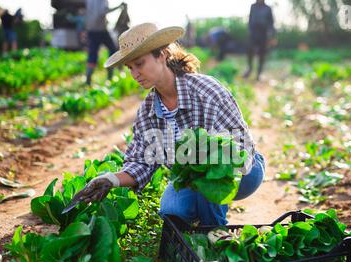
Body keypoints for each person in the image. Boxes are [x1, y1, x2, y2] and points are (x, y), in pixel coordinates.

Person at [71, 23, 266, 226]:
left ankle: (215, 232)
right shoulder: (148, 111)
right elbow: (142, 162)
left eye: (139, 64)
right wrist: (110, 179)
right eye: (130, 68)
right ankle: (202, 209)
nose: (135, 73)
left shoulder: (206, 92)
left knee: (208, 168)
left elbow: (236, 151)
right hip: (194, 178)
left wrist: (201, 166)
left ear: (162, 54)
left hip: (243, 170)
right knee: (172, 211)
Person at [85, 0, 125, 85]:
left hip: (91, 29)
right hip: (100, 30)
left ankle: (88, 80)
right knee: (112, 49)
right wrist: (118, 7)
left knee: (92, 54)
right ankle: (110, 77)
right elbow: (102, 12)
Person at [243, 0, 277, 81]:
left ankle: (259, 73)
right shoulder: (253, 6)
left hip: (263, 34)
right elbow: (250, 19)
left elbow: (271, 23)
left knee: (262, 54)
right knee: (250, 51)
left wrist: (273, 36)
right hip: (253, 33)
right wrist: (249, 31)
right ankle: (249, 69)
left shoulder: (268, 8)